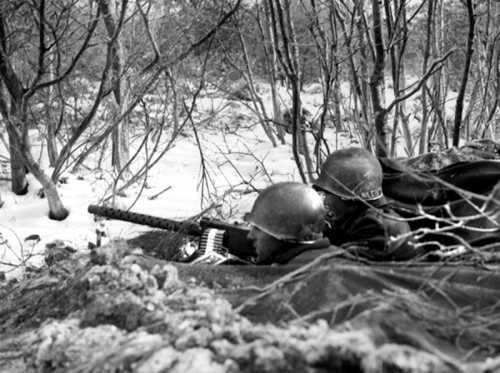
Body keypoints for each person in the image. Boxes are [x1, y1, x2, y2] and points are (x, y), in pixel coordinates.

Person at [313, 147, 422, 261]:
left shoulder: (375, 226)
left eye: (329, 194)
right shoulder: (364, 215)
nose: (325, 201)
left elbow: (344, 268)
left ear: (347, 197)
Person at [245, 182, 334, 265]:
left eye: (258, 229)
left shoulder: (300, 271)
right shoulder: (320, 258)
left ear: (283, 233)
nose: (250, 235)